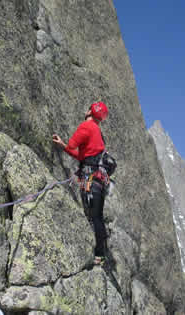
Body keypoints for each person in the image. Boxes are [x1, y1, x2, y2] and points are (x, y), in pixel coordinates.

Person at [53, 102, 109, 265]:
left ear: (91, 111)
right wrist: (62, 145)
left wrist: (66, 144)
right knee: (97, 217)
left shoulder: (87, 126)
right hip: (98, 181)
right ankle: (100, 253)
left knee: (94, 218)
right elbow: (82, 157)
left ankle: (99, 254)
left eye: (88, 108)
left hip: (91, 180)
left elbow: (73, 145)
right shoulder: (97, 132)